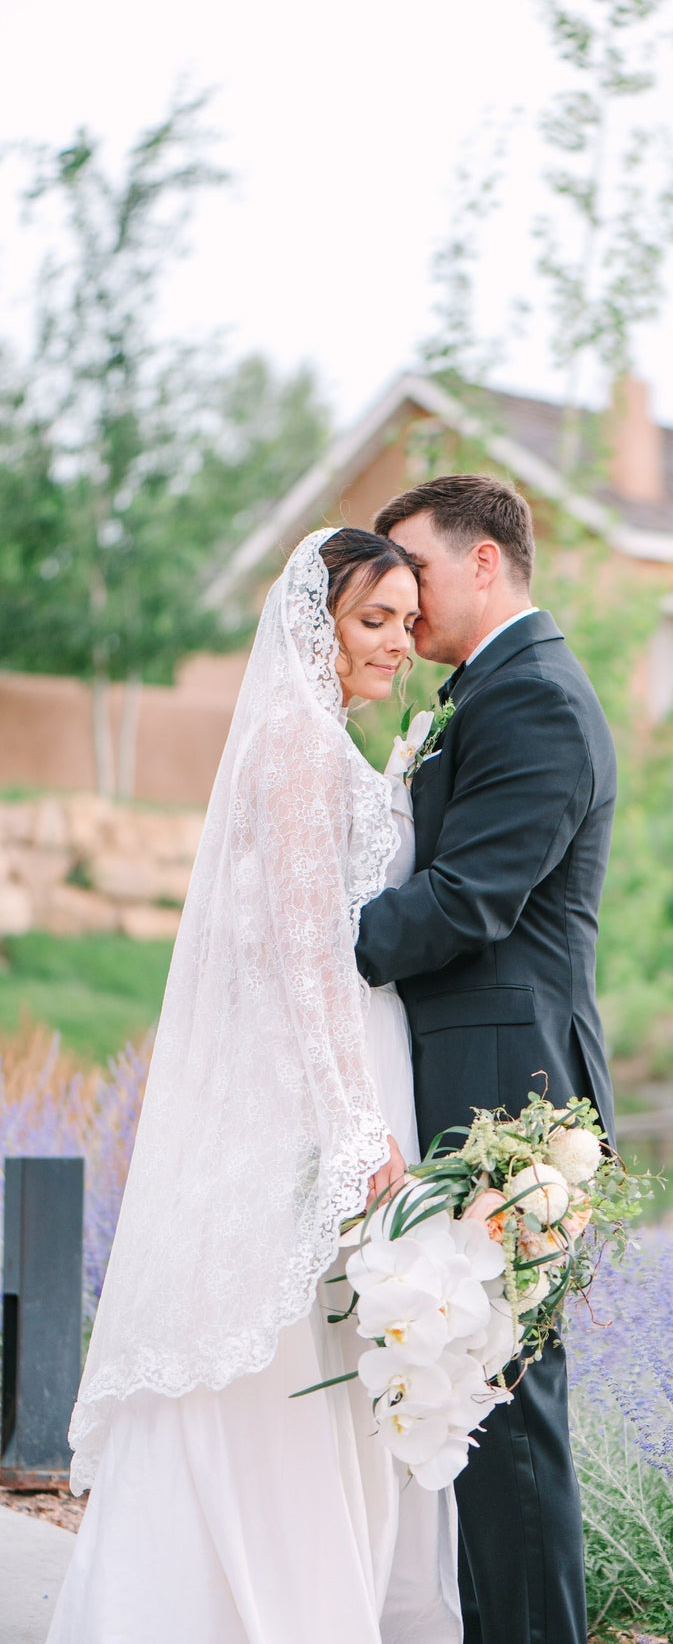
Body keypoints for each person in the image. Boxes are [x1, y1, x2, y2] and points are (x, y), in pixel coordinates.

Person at [48, 527, 462, 1644]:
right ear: (312, 626)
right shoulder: (291, 742)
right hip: (301, 1102)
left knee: (320, 1361)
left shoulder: (321, 740)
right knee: (279, 1361)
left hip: (336, 1083)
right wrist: (350, 1124)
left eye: (403, 623)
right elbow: (297, 952)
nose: (395, 644)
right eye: (371, 621)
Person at [356, 474, 618, 1644]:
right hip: (464, 1077)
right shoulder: (483, 693)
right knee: (462, 1389)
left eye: (411, 564)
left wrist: (321, 936)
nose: (400, 593)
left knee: (506, 1405)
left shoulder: (537, 701)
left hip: (511, 1097)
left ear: (479, 562)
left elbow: (471, 901)